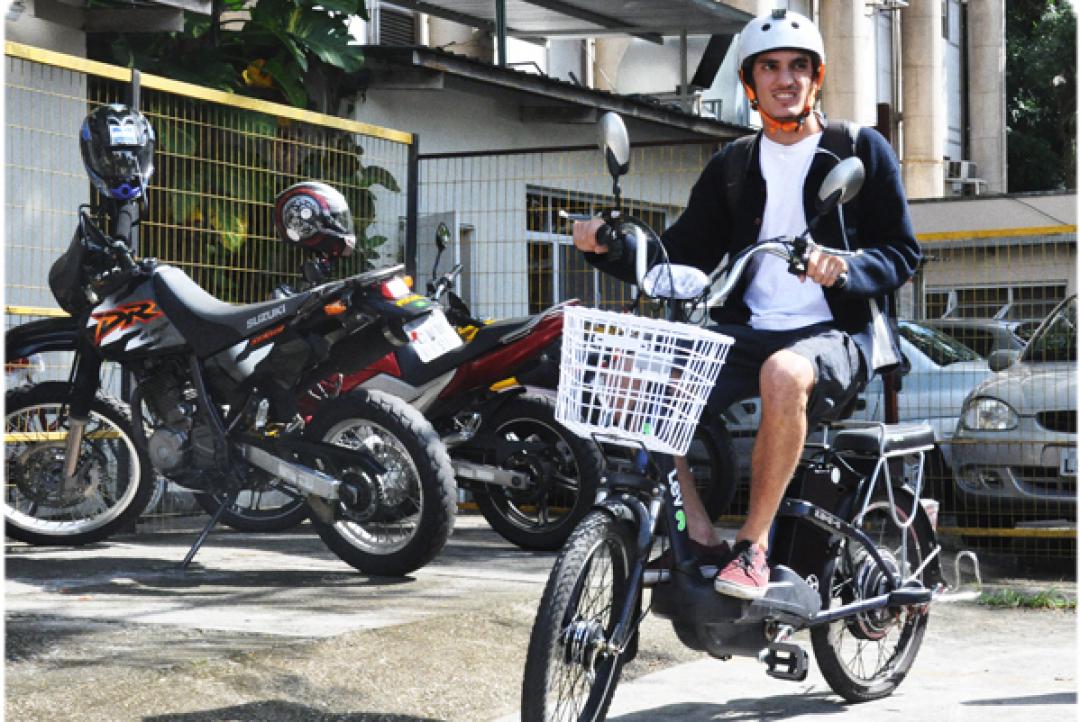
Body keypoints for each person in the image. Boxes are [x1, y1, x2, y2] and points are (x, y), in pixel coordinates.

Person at [573, 9, 920, 600]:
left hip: (833, 338)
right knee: (641, 378)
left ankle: (753, 548)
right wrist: (610, 245)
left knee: (782, 372)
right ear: (749, 82)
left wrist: (847, 267)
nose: (785, 79)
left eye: (798, 67)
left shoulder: (860, 148)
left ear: (817, 77)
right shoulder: (733, 164)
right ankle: (702, 536)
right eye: (770, 67)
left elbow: (902, 252)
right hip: (747, 331)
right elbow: (679, 257)